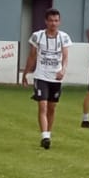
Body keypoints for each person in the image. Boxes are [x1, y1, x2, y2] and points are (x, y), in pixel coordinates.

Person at [25, 9, 71, 149]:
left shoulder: (64, 37)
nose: (53, 23)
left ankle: (48, 134)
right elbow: (32, 56)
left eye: (56, 20)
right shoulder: (37, 36)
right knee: (42, 105)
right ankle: (44, 136)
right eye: (51, 20)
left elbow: (65, 56)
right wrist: (26, 73)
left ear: (59, 22)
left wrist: (63, 70)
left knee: (52, 107)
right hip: (41, 75)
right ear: (46, 21)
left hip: (56, 77)